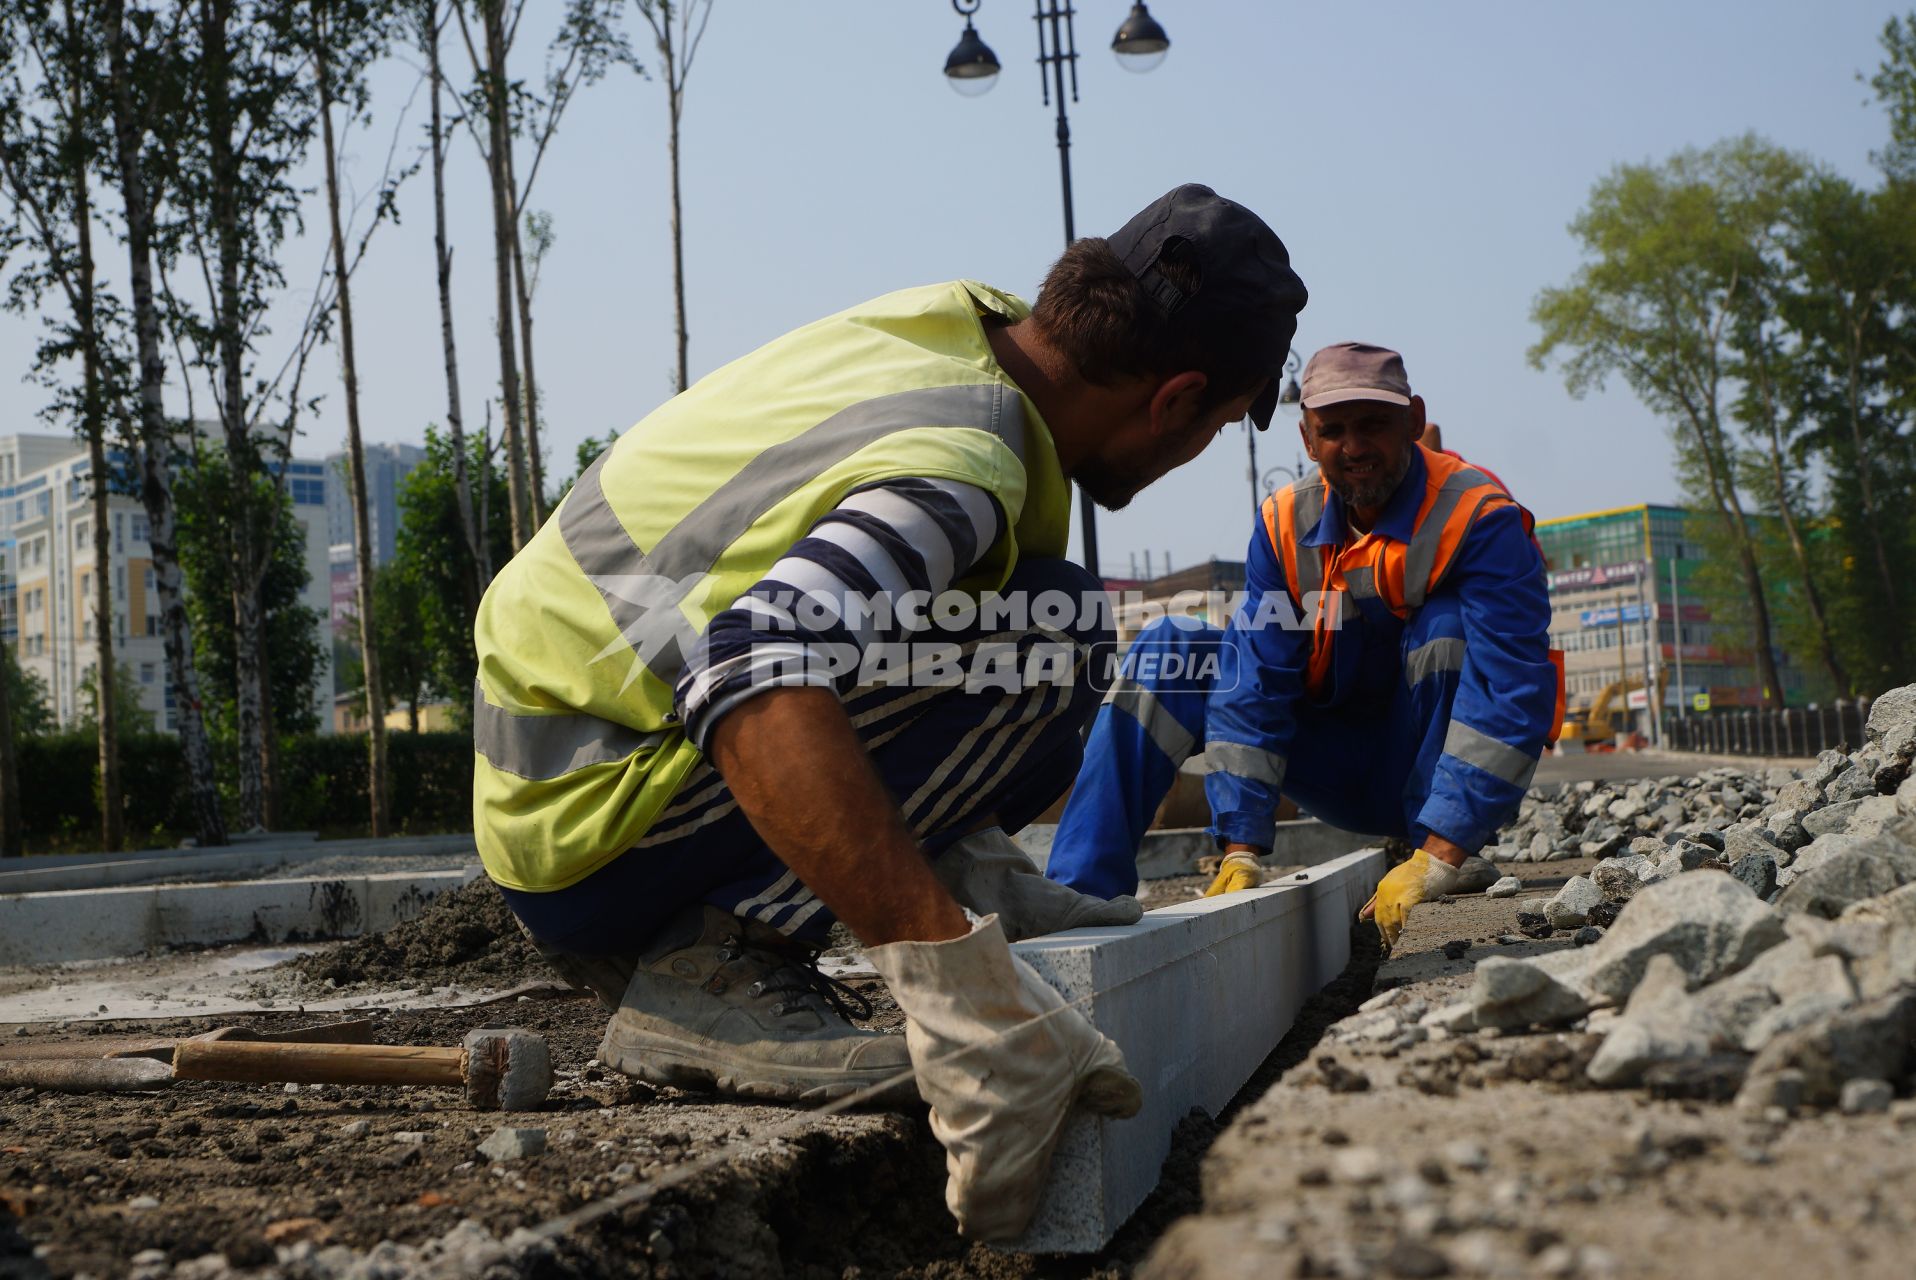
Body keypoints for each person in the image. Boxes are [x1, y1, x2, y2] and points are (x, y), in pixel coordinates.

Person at [471, 184, 1308, 1241]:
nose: (1197, 447)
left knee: (1036, 609)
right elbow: (750, 667)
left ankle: (953, 863)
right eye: (1219, 424)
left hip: (583, 746)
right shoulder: (958, 467)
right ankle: (710, 959)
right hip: (587, 822)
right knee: (1049, 643)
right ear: (1178, 396)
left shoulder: (959, 329)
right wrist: (961, 1005)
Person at [1043, 342, 1560, 947]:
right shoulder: (1285, 524)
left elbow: (1509, 689)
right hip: (1328, 763)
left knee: (1447, 628)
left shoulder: (1479, 517)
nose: (1355, 447)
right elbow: (1253, 678)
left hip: (1423, 779)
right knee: (1170, 647)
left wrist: (1441, 855)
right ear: (1308, 442)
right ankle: (1081, 898)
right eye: (1333, 430)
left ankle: (1435, 841)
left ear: (1414, 423)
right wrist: (1240, 844)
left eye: (1374, 425)